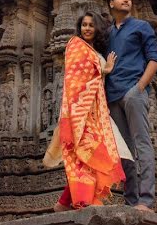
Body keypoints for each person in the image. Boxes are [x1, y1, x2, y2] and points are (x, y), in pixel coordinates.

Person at [43, 11, 131, 210]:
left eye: (91, 25)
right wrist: (104, 70)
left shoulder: (93, 51)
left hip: (96, 112)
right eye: (84, 25)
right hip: (79, 110)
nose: (87, 28)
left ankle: (65, 202)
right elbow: (76, 76)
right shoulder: (76, 45)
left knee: (95, 154)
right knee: (84, 154)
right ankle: (82, 200)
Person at [106, 0, 157, 211]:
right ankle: (130, 199)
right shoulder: (107, 33)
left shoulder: (141, 26)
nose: (126, 0)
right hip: (112, 96)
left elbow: (155, 60)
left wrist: (139, 88)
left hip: (133, 93)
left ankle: (146, 199)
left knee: (142, 144)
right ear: (111, 4)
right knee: (124, 150)